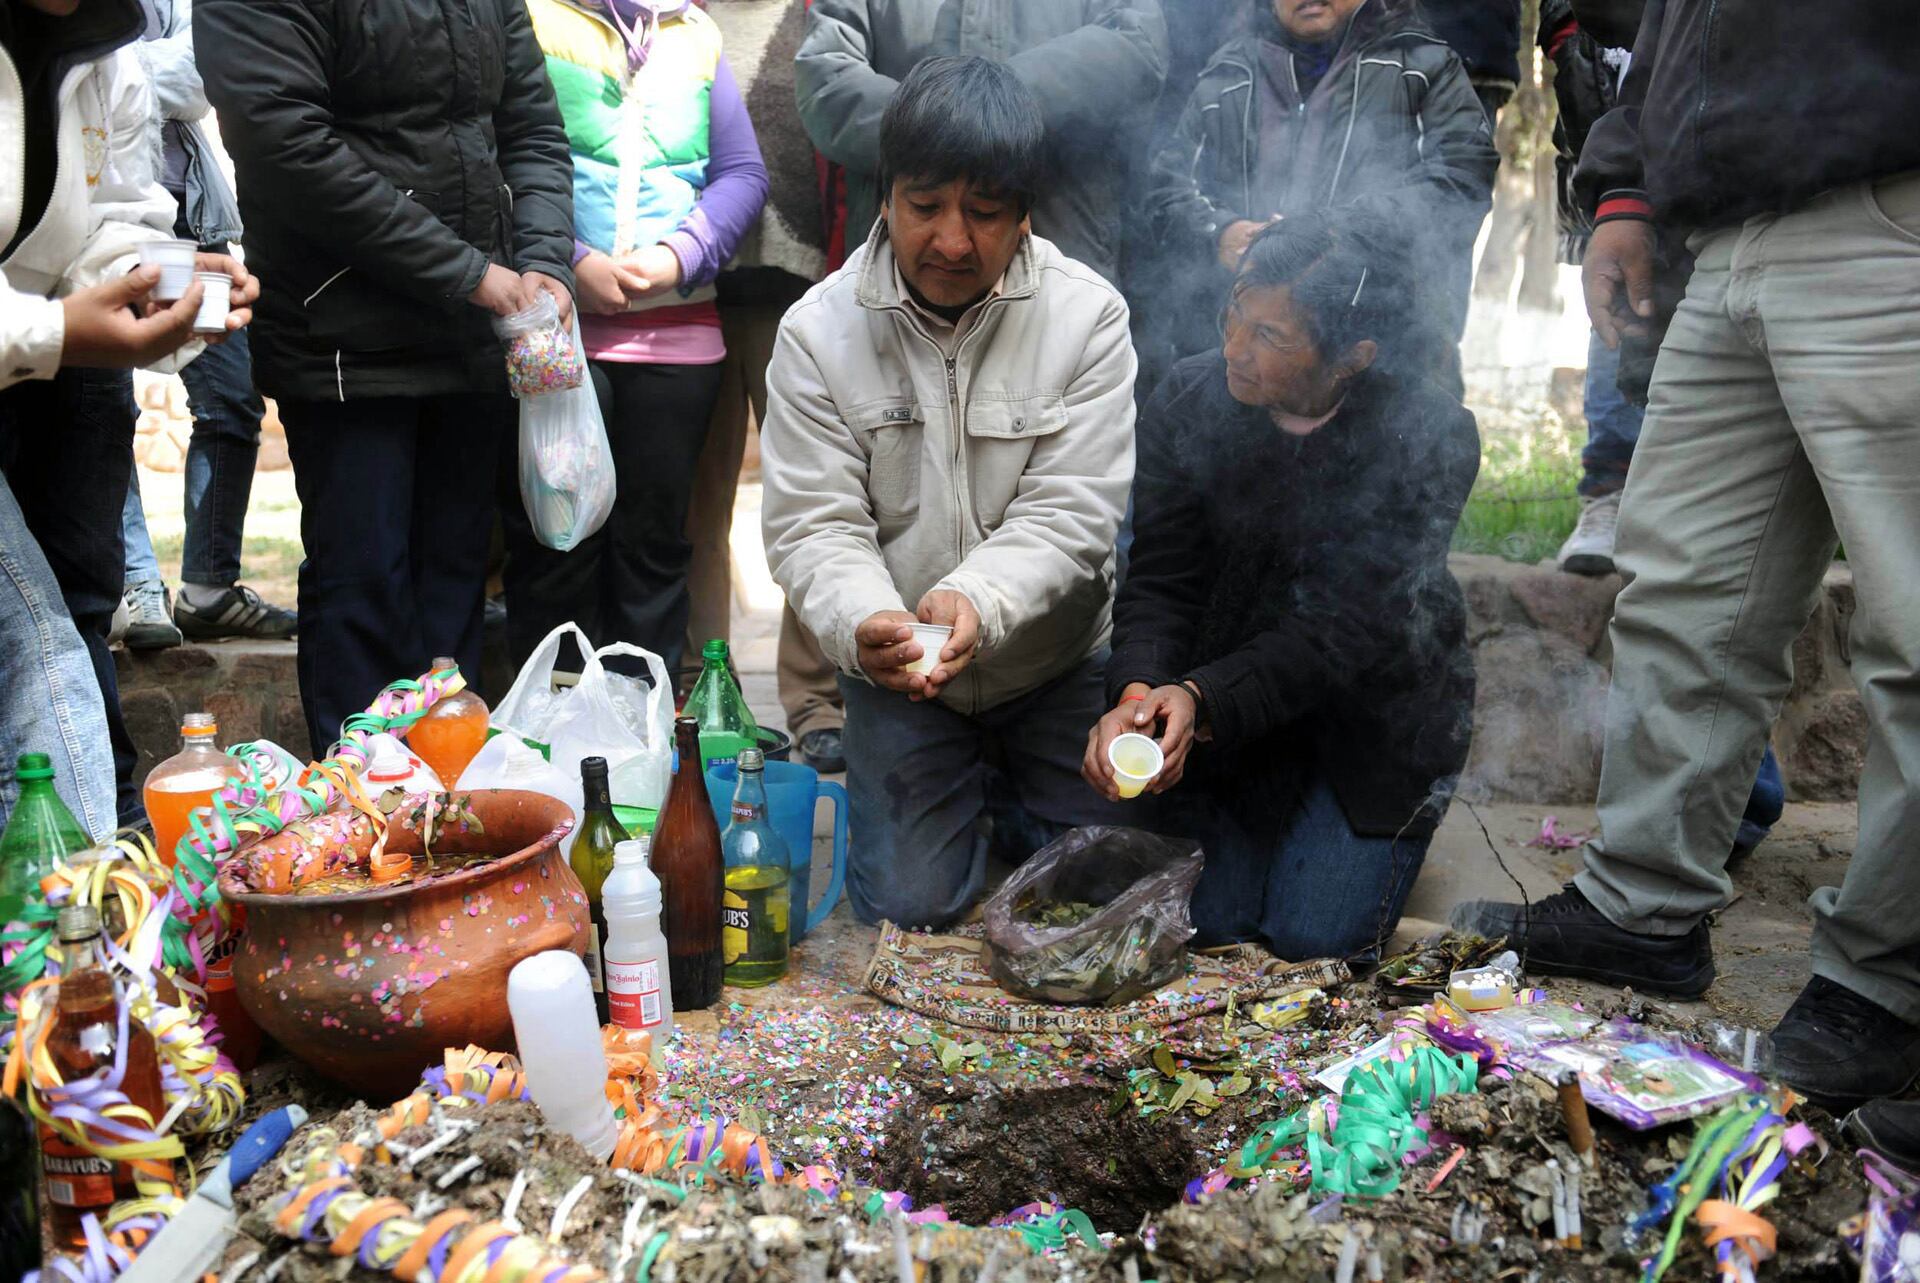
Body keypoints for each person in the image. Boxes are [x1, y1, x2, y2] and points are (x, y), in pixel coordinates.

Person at [1452, 0, 1920, 1115]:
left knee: (1913, 638)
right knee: (1684, 595)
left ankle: (1883, 988)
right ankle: (1642, 904)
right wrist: (1623, 185)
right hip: (1723, 230)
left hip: (1889, 199)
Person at [761, 56, 1140, 928]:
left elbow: (1074, 511)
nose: (953, 240)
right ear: (886, 196)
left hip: (1055, 663)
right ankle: (961, 789)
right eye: (926, 206)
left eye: (985, 211)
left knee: (1101, 893)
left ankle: (1004, 783)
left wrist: (976, 597)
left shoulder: (1090, 318)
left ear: (1026, 214)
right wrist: (869, 625)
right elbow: (812, 526)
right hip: (902, 679)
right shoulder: (817, 332)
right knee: (908, 903)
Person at [1088, 213, 1476, 962]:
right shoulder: (1189, 396)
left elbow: (1342, 630)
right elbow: (1162, 575)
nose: (1236, 348)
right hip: (1229, 704)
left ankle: (1370, 832)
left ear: (1351, 357)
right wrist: (1140, 693)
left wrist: (1201, 700)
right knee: (1213, 919)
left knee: (1313, 937)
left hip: (1365, 719)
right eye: (1237, 313)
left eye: (1272, 337)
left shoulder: (1429, 438)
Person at [196, 0, 575, 752]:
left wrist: (542, 262)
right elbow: (286, 146)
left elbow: (532, 128)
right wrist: (472, 274)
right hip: (344, 337)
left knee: (455, 582)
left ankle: (447, 804)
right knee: (364, 583)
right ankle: (360, 818)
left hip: (474, 332)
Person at [2, 0, 255, 837]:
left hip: (64, 378)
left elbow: (112, 218)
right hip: (44, 340)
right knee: (37, 649)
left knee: (76, 613)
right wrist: (53, 329)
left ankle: (96, 838)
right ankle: (70, 899)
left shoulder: (115, 52)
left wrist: (168, 289)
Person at [501, 0, 768, 677]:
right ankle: (552, 746)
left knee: (653, 552)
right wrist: (569, 258)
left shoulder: (696, 35)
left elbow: (743, 174)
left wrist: (683, 254)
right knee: (556, 551)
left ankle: (638, 733)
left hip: (679, 348)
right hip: (560, 343)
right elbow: (496, 158)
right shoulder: (531, 18)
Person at [1141, 0, 1496, 386]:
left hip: (1387, 358)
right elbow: (1165, 185)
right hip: (1239, 363)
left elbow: (1461, 183)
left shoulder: (1420, 64)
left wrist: (1332, 234)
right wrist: (1220, 232)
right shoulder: (1228, 72)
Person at [692, 0, 846, 774]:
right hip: (688, 292)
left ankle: (817, 701)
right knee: (699, 500)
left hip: (802, 292)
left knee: (811, 499)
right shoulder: (674, 18)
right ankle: (703, 692)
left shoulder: (825, 17)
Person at [116, 0, 294, 651]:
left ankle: (209, 589)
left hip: (192, 223)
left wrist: (115, 66)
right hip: (103, 224)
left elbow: (202, 75)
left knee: (233, 399)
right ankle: (135, 585)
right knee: (104, 404)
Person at [794, 0, 1168, 286]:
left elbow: (1136, 44)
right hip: (902, 266)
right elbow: (825, 77)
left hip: (1059, 243)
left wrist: (991, 106)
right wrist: (943, 125)